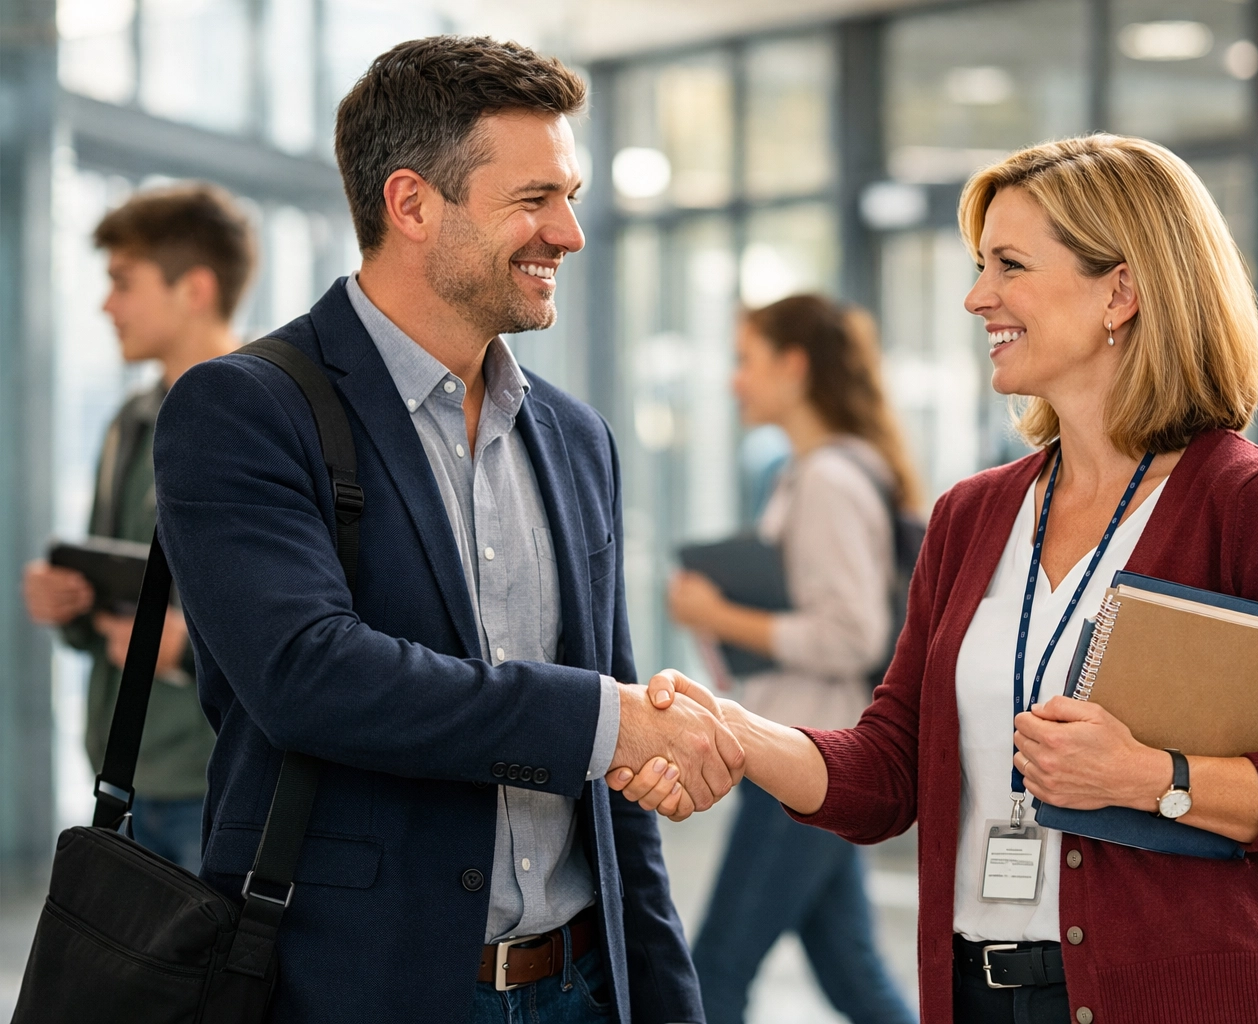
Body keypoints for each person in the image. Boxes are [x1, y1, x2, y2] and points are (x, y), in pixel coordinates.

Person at [610, 134, 1258, 1024]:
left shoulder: (1251, 502)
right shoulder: (971, 515)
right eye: (979, 265)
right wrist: (735, 731)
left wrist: (1152, 777)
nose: (976, 296)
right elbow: (891, 771)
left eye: (1010, 265)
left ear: (1121, 291)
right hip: (977, 994)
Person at [150, 37, 742, 1023]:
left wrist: (666, 1000)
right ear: (412, 204)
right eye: (534, 199)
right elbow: (309, 676)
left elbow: (614, 799)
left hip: (581, 985)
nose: (569, 233)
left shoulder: (576, 437)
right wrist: (606, 720)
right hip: (363, 990)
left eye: (570, 196)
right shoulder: (243, 409)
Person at [666, 294, 919, 1024]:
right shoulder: (811, 472)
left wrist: (718, 616)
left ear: (794, 366)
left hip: (804, 751)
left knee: (713, 977)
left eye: (746, 360)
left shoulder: (828, 480)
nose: (734, 380)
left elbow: (852, 635)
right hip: (814, 743)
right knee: (852, 973)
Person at [22, 183, 250, 871]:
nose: (106, 305)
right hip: (122, 776)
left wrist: (187, 652)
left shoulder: (269, 422)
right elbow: (112, 586)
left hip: (216, 786)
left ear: (195, 290)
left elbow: (321, 620)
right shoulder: (130, 424)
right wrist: (69, 601)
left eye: (123, 283)